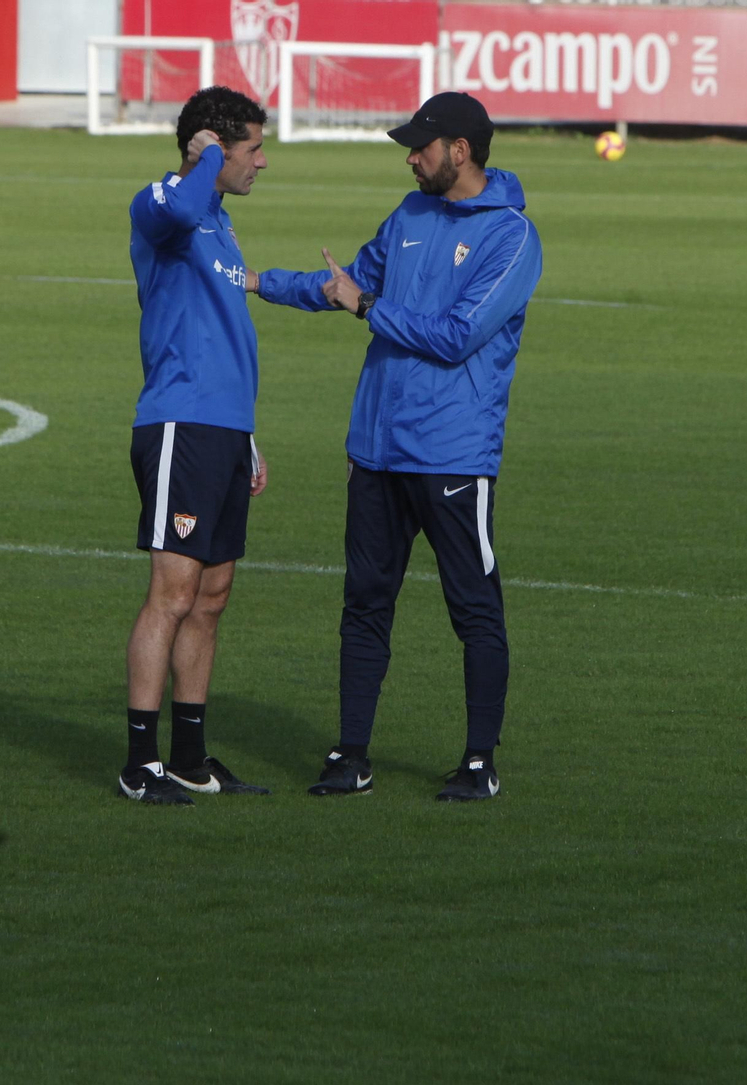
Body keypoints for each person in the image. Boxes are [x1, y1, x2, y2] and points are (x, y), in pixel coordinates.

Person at [249, 91, 543, 801]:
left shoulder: (512, 238)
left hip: (452, 456)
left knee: (473, 608)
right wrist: (255, 282)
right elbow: (344, 284)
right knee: (364, 603)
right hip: (376, 450)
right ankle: (350, 754)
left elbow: (454, 337)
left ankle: (479, 760)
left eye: (421, 146)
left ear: (460, 152)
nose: (411, 157)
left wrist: (368, 307)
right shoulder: (409, 214)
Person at [119, 84, 271, 806]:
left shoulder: (219, 222)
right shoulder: (165, 204)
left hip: (224, 431)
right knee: (172, 593)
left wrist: (248, 437)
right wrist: (203, 160)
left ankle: (189, 757)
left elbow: (221, 333)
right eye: (253, 148)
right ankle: (139, 763)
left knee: (211, 595)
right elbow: (178, 204)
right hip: (178, 423)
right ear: (211, 146)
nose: (262, 163)